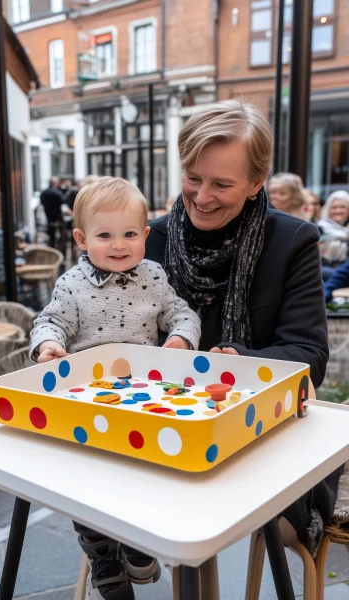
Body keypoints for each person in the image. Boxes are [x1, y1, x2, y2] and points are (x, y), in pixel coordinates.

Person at [145, 99, 342, 560]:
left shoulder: (292, 240)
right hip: (163, 432)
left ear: (256, 183)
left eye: (222, 184)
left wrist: (235, 362)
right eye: (193, 178)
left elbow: (309, 353)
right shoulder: (147, 240)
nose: (201, 195)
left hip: (261, 439)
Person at [30, 176, 201, 600]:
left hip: (143, 398)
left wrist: (180, 337)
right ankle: (102, 550)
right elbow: (49, 321)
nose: (118, 244)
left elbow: (182, 314)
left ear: (145, 236)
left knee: (144, 472)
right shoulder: (72, 284)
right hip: (86, 400)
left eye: (129, 234)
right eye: (105, 235)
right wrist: (49, 344)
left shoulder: (155, 277)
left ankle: (136, 536)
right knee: (86, 480)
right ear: (81, 238)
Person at [40, 177, 66, 252]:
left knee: (51, 237)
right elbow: (63, 201)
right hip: (58, 218)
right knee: (62, 237)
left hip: (49, 217)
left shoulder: (44, 193)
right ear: (56, 183)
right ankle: (61, 252)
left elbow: (42, 203)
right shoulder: (57, 192)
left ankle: (52, 251)